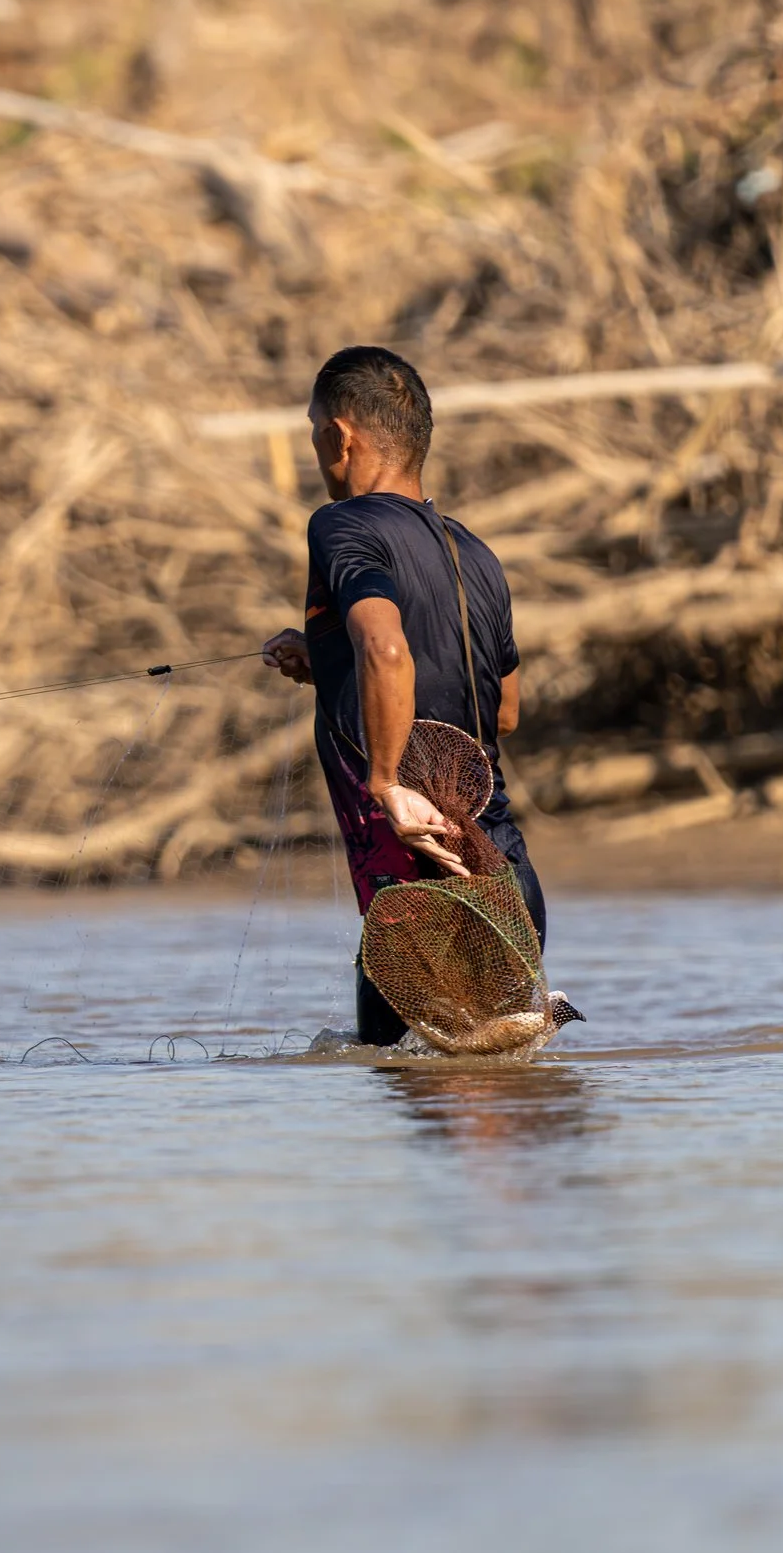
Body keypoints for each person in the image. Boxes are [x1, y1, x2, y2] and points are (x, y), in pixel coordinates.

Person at [260, 346, 544, 1047]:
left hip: (422, 897)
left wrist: (386, 781)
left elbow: (388, 648)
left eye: (313, 431)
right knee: (493, 1119)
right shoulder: (474, 554)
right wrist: (328, 661)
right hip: (507, 885)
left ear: (340, 436)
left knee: (406, 1095)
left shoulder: (342, 526)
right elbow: (503, 710)